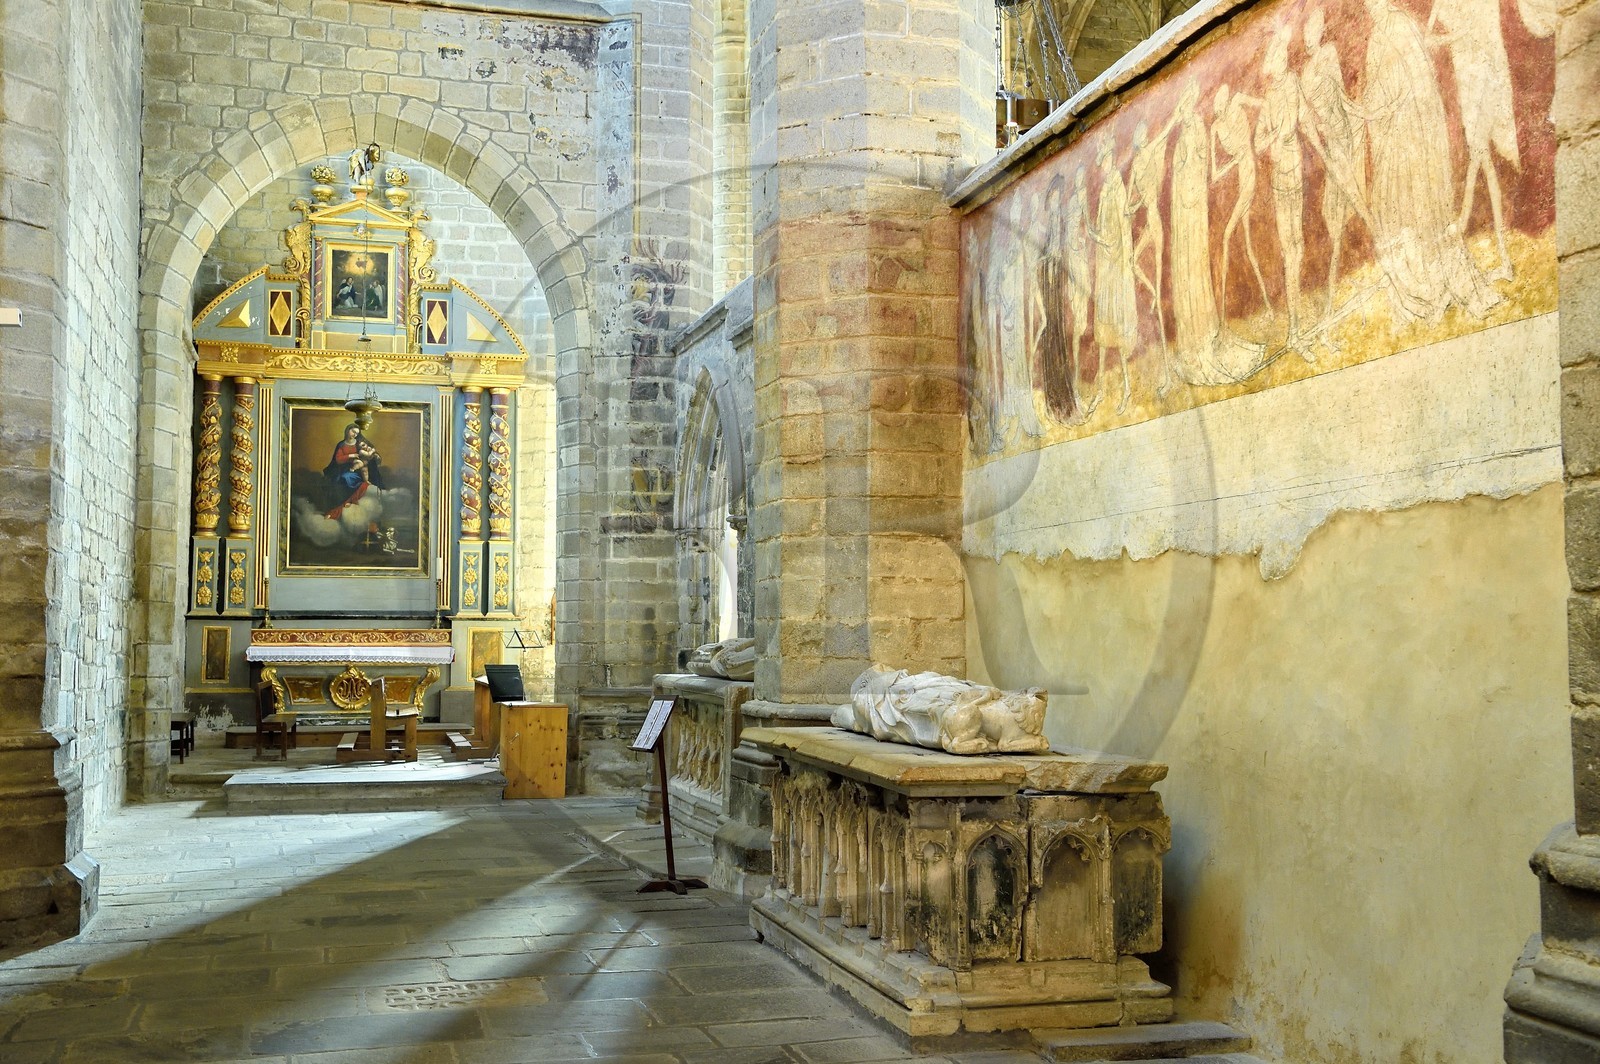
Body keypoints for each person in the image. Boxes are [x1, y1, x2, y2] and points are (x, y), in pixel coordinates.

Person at [323, 424, 383, 519]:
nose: (354, 434)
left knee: (349, 478)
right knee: (343, 478)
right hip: (342, 470)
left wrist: (375, 456)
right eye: (353, 432)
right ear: (347, 431)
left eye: (357, 433)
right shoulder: (341, 445)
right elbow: (337, 460)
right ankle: (342, 506)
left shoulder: (359, 443)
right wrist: (350, 456)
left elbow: (369, 451)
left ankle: (350, 503)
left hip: (358, 471)